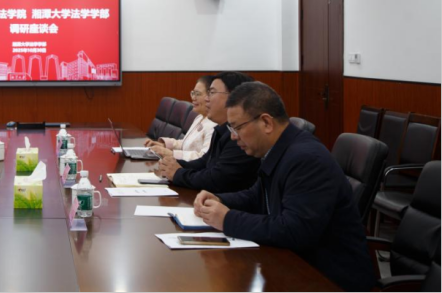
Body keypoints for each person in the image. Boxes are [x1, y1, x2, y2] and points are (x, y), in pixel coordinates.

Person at [194, 82, 376, 292]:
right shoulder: (279, 150)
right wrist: (219, 199)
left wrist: (227, 219)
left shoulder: (306, 159)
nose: (234, 137)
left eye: (237, 128)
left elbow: (295, 230)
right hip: (296, 265)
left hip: (328, 279)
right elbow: (257, 196)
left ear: (266, 123)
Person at [158, 72, 260, 193]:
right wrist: (174, 164)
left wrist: (178, 174)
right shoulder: (222, 129)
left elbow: (218, 179)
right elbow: (204, 162)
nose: (206, 99)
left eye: (211, 93)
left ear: (234, 98)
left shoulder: (241, 135)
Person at [144, 75, 218, 161]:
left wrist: (171, 154)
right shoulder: (199, 117)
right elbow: (186, 144)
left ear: (211, 96)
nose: (193, 98)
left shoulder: (214, 125)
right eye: (193, 93)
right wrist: (164, 145)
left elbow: (203, 157)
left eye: (197, 94)